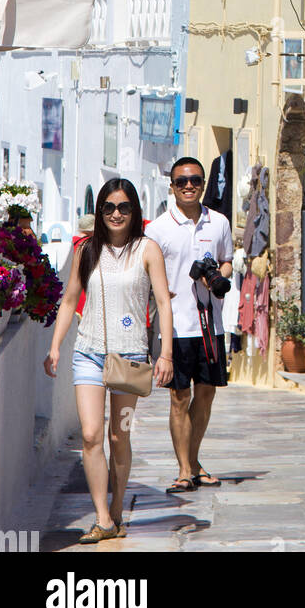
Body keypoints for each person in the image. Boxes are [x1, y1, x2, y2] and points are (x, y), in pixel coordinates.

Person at [44, 179, 174, 544]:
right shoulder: (86, 250)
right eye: (109, 207)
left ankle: (117, 509)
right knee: (90, 434)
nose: (116, 214)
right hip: (88, 353)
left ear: (134, 211)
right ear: (100, 212)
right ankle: (101, 516)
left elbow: (163, 301)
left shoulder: (148, 250)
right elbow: (70, 299)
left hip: (130, 357)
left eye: (124, 207)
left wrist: (165, 353)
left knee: (119, 435)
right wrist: (55, 346)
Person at [145, 157, 234, 495]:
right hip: (176, 326)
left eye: (195, 180)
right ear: (172, 186)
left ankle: (193, 462)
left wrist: (218, 276)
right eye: (181, 181)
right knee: (179, 397)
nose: (188, 186)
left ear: (202, 184)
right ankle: (183, 469)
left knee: (207, 394)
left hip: (211, 325)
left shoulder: (219, 222)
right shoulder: (157, 229)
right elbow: (147, 272)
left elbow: (227, 261)